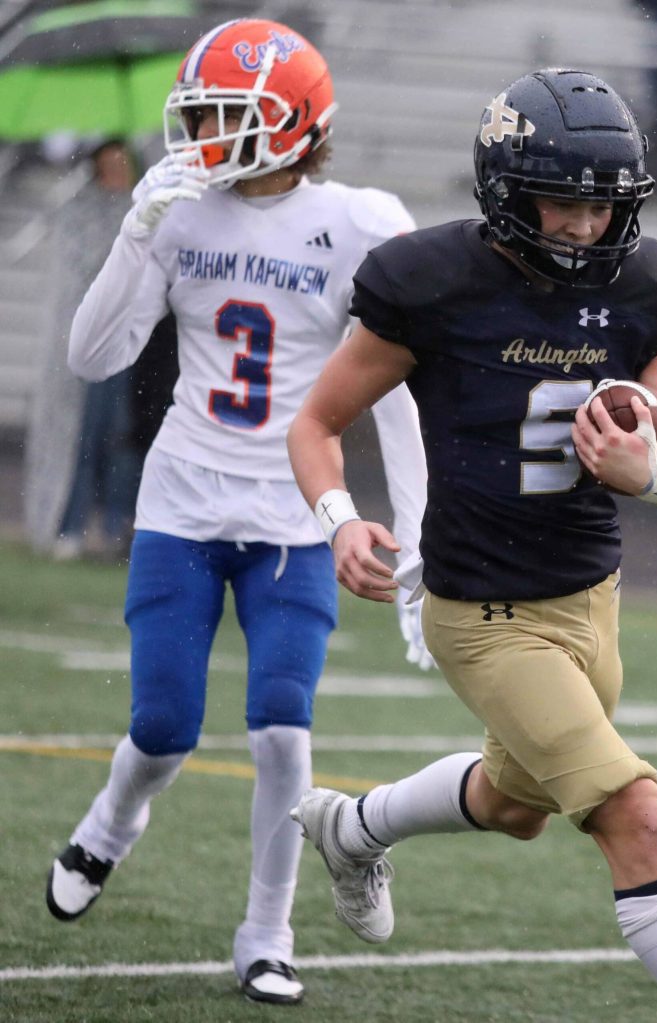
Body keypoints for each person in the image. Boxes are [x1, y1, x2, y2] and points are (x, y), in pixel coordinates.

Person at [287, 69, 657, 1022]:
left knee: (516, 803)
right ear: (505, 189)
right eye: (565, 201)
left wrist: (650, 478)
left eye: (604, 206)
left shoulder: (648, 287)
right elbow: (317, 422)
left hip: (592, 598)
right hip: (483, 612)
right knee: (637, 815)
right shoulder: (432, 282)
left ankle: (352, 827)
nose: (586, 226)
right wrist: (341, 521)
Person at [44, 17, 429, 1007]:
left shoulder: (356, 222)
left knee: (280, 733)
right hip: (181, 498)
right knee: (165, 726)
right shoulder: (178, 212)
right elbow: (92, 357)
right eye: (200, 110)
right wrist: (135, 233)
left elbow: (391, 390)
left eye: (228, 114)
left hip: (297, 512)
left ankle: (266, 932)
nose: (205, 132)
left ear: (294, 124)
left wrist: (417, 535)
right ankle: (114, 819)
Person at [24, 138, 142, 561]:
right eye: (109, 163)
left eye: (122, 162)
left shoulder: (140, 208)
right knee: (84, 434)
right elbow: (84, 272)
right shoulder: (82, 210)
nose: (117, 171)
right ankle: (69, 523)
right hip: (89, 339)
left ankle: (114, 526)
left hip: (128, 343)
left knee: (121, 434)